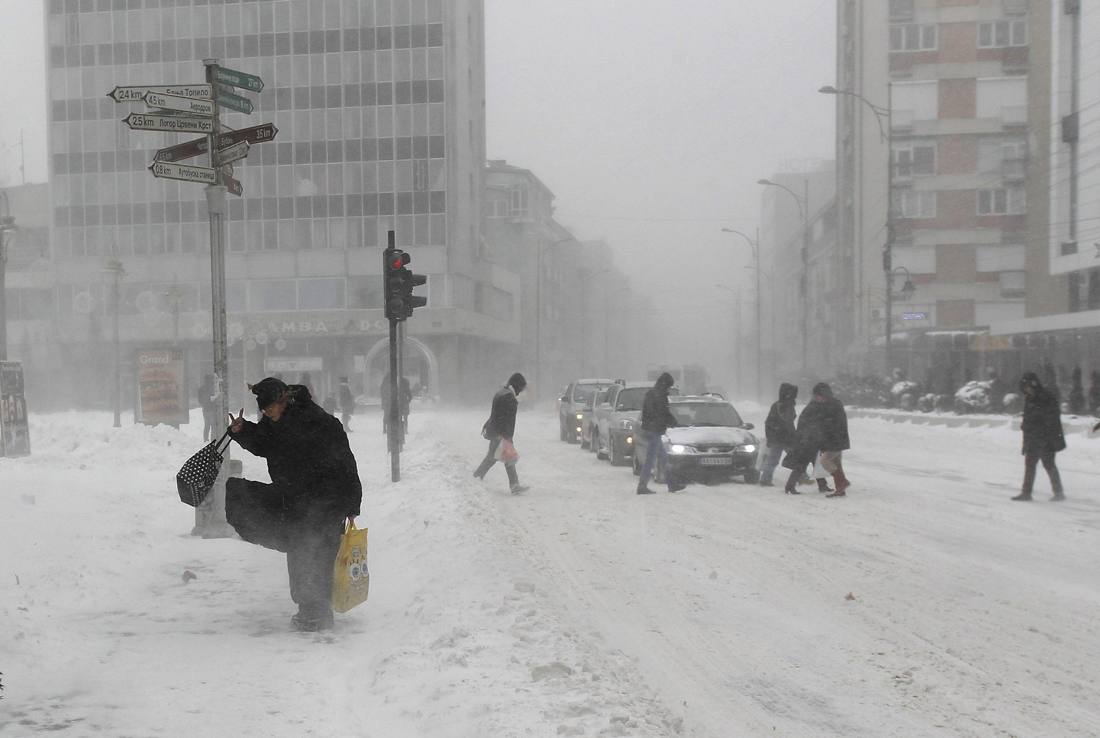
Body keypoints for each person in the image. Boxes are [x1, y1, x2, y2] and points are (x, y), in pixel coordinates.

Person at [224, 377, 363, 632]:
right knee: (301, 552)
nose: (268, 413)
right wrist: (243, 430)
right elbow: (265, 444)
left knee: (317, 554)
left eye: (271, 408)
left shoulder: (320, 423)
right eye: (264, 410)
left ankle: (317, 613)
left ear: (284, 401)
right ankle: (310, 610)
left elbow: (346, 462)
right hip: (297, 501)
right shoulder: (277, 423)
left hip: (326, 500)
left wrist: (352, 505)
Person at [783, 382, 851, 498]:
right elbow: (812, 423)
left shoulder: (828, 405)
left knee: (822, 462)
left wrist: (818, 435)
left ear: (822, 395)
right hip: (813, 439)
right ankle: (835, 485)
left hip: (826, 440)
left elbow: (830, 424)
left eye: (817, 396)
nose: (815, 398)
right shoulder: (821, 405)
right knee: (812, 463)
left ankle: (837, 485)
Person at [473, 373, 529, 494]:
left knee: (506, 458)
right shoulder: (509, 398)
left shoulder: (501, 393)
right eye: (521, 388)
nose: (520, 392)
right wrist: (507, 437)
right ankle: (475, 479)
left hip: (495, 432)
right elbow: (507, 420)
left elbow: (497, 415)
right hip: (501, 435)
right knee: (493, 458)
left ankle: (514, 485)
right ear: (517, 386)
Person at [1015, 372, 1066, 501]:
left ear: (1032, 385)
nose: (1026, 390)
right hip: (1041, 436)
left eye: (1027, 387)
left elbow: (1047, 417)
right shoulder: (1034, 397)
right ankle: (1057, 491)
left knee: (1038, 464)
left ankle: (1028, 492)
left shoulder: (1042, 397)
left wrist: (1031, 426)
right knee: (1043, 464)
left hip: (1043, 436)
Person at [636, 372, 687, 495]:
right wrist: (666, 422)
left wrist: (670, 421)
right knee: (651, 459)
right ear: (665, 384)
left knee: (663, 459)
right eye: (669, 386)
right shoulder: (657, 395)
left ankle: (671, 484)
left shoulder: (655, 394)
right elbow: (657, 413)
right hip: (653, 430)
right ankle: (642, 486)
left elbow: (662, 412)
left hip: (652, 429)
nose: (669, 388)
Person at [759, 383, 797, 487]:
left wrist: (769, 437)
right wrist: (794, 435)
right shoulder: (788, 405)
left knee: (773, 460)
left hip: (776, 438)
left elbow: (768, 422)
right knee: (796, 457)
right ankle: (803, 477)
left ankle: (765, 479)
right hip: (786, 438)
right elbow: (789, 423)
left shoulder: (776, 405)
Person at [197, 374, 217, 442]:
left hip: (205, 409)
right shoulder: (213, 387)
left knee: (207, 425)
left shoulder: (202, 388)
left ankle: (206, 439)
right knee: (213, 425)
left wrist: (203, 404)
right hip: (212, 408)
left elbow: (199, 398)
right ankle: (213, 439)